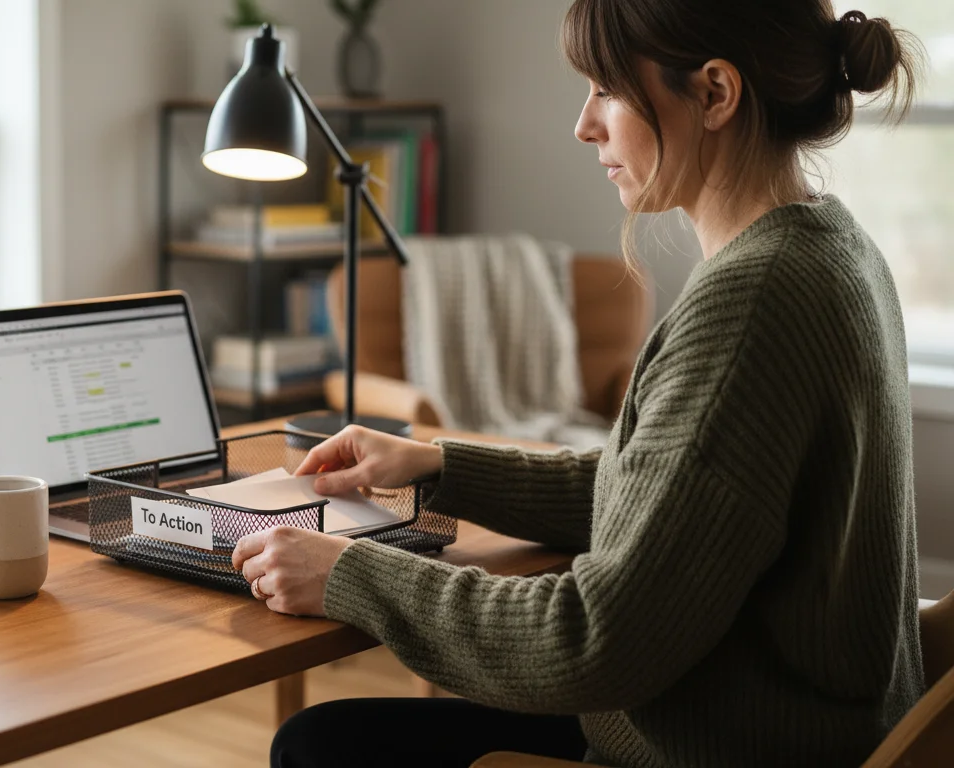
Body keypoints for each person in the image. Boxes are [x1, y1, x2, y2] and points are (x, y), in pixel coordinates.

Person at [230, 1, 927, 766]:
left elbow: (593, 641)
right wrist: (440, 468)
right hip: (778, 726)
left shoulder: (749, 304)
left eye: (606, 89)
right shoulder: (834, 248)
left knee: (319, 748)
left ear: (716, 94)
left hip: (703, 745)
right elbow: (674, 493)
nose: (584, 124)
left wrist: (351, 573)